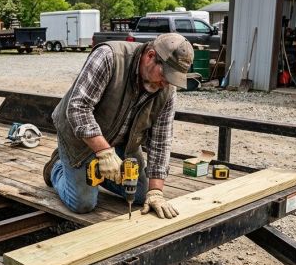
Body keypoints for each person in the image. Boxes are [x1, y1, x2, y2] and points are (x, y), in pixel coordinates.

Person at [43, 33, 194, 219]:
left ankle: (100, 170)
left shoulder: (167, 90)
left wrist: (156, 192)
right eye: (165, 75)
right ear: (150, 56)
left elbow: (161, 141)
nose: (166, 83)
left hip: (120, 141)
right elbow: (78, 109)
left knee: (141, 193)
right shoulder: (110, 57)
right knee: (83, 203)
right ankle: (57, 167)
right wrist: (105, 152)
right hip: (78, 137)